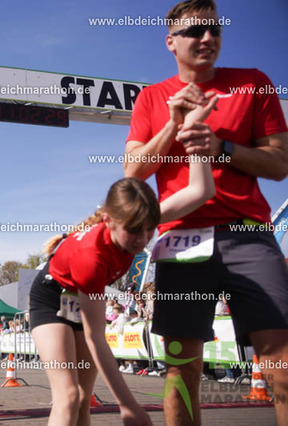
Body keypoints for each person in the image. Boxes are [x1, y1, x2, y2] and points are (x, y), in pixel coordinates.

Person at [124, 1, 288, 424]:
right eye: (195, 31)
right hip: (181, 242)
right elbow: (133, 172)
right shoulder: (151, 97)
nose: (208, 38)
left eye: (215, 29)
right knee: (181, 369)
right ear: (171, 42)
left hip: (247, 234)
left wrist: (222, 147)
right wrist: (172, 125)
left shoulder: (254, 83)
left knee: (281, 361)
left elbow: (280, 165)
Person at [30, 107, 217, 426]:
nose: (142, 240)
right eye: (134, 232)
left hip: (79, 299)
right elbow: (96, 337)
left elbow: (201, 191)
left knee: (85, 400)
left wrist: (194, 132)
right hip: (50, 298)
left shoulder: (136, 219)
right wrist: (128, 406)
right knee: (69, 396)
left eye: (150, 230)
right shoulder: (91, 257)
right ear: (108, 221)